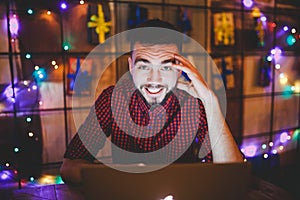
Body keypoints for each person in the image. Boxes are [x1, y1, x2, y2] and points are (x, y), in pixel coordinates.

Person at [60, 19, 243, 184]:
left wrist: (209, 100)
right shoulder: (112, 99)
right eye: (144, 66)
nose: (154, 79)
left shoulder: (195, 103)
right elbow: (69, 166)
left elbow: (233, 174)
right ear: (131, 66)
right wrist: (117, 177)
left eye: (165, 67)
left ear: (180, 69)